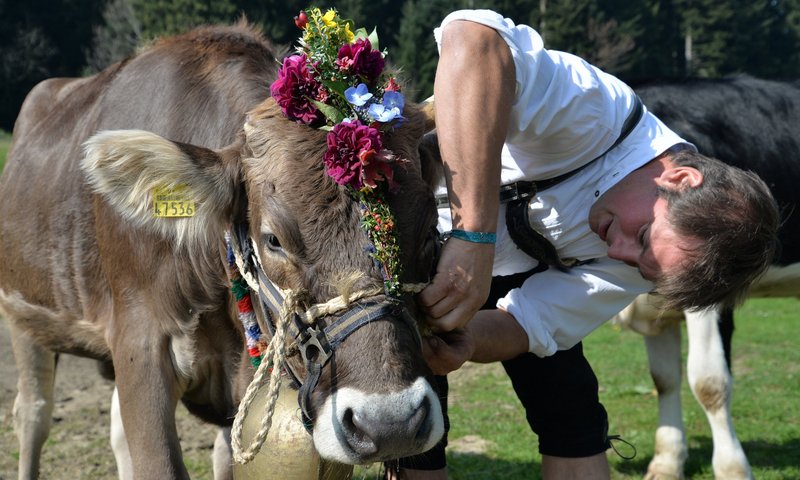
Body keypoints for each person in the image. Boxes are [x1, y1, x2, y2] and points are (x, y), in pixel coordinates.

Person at [389, 9, 780, 480]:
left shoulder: (640, 261)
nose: (619, 256)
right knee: (416, 434)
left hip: (496, 274)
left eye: (643, 269)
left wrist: (467, 342)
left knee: (572, 415)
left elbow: (532, 323)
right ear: (679, 179)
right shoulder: (596, 111)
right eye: (641, 237)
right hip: (397, 233)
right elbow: (473, 36)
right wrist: (474, 236)